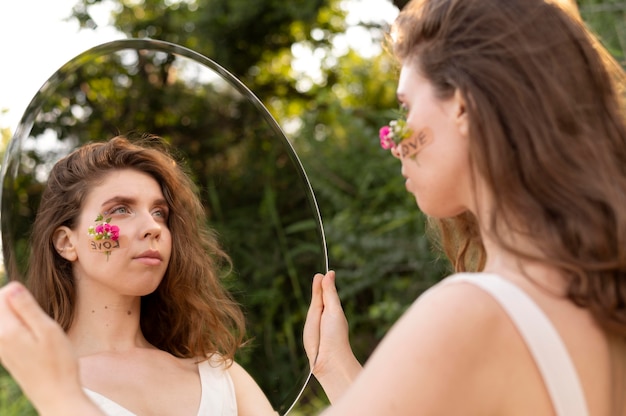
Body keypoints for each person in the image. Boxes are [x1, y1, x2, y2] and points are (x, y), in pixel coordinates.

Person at [304, 0, 626, 415]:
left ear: (462, 104)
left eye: (404, 110)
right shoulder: (593, 298)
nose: (394, 143)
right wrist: (334, 366)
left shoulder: (473, 312)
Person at [0, 135, 277, 416]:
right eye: (120, 209)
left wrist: (325, 369)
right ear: (66, 243)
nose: (153, 227)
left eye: (159, 213)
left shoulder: (218, 375)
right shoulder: (32, 385)